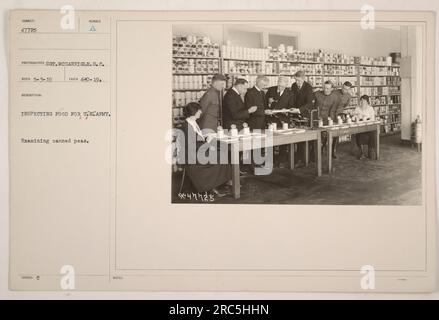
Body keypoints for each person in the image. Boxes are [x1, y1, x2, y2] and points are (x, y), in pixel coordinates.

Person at [178, 102, 231, 197]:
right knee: (218, 156)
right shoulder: (187, 127)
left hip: (196, 151)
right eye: (199, 110)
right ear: (193, 112)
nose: (201, 112)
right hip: (191, 156)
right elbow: (192, 145)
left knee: (221, 153)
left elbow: (196, 139)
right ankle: (211, 187)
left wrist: (206, 137)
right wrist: (207, 143)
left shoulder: (192, 123)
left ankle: (220, 183)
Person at [265, 76, 296, 167]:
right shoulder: (271, 90)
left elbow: (291, 107)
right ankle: (271, 159)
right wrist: (269, 102)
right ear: (277, 82)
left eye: (282, 86)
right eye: (279, 85)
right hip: (272, 118)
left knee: (283, 139)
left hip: (283, 119)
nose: (280, 88)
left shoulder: (290, 93)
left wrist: (286, 110)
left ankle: (281, 159)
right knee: (272, 139)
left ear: (286, 85)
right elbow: (264, 104)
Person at [291, 71, 315, 166]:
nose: (297, 82)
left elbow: (309, 103)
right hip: (296, 114)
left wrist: (299, 110)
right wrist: (291, 108)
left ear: (303, 78)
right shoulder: (293, 86)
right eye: (296, 80)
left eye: (299, 80)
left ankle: (306, 158)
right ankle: (298, 158)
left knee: (305, 138)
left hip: (306, 114)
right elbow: (292, 99)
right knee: (297, 137)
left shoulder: (308, 87)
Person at [314, 81, 341, 157]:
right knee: (318, 135)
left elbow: (333, 110)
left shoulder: (335, 97)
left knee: (335, 133)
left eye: (328, 88)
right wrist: (316, 117)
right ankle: (319, 150)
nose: (325, 90)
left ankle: (332, 151)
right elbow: (313, 106)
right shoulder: (317, 94)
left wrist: (331, 120)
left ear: (332, 89)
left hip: (328, 119)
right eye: (324, 88)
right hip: (317, 119)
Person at [332, 81, 353, 158]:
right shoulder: (334, 92)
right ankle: (323, 147)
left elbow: (345, 106)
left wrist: (341, 114)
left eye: (347, 89)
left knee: (336, 134)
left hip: (339, 116)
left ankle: (333, 151)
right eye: (344, 88)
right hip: (330, 114)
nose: (345, 90)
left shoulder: (349, 96)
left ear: (349, 89)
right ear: (342, 86)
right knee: (326, 132)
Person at [353, 95, 376, 160]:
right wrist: (357, 117)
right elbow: (354, 116)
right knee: (359, 134)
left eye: (364, 101)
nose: (362, 102)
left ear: (367, 102)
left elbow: (373, 119)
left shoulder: (370, 108)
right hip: (359, 127)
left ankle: (371, 152)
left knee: (372, 134)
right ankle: (362, 153)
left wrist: (366, 118)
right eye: (361, 100)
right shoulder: (357, 108)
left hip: (368, 127)